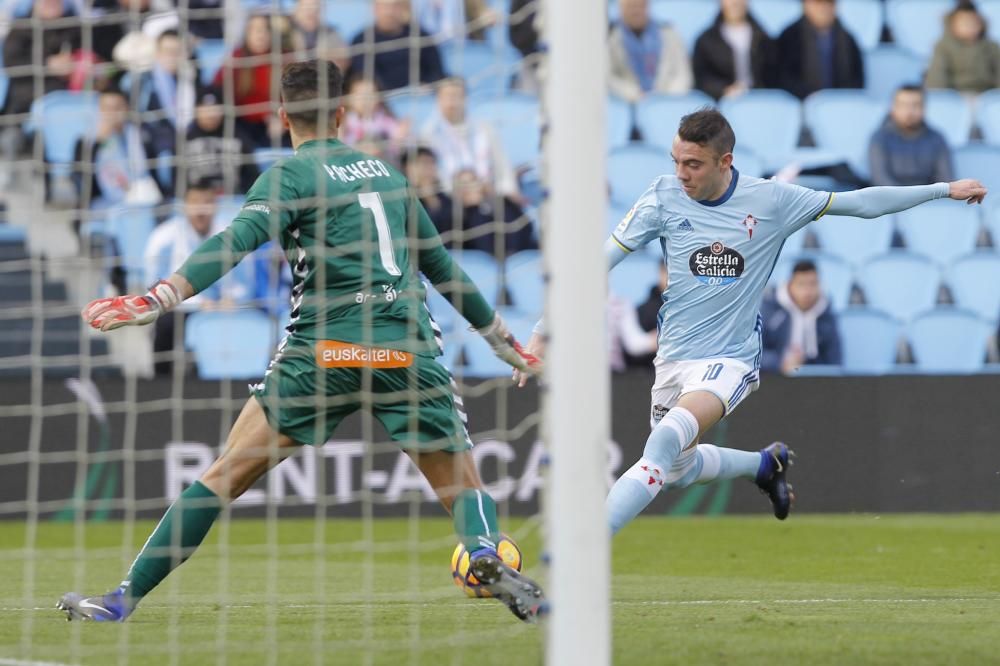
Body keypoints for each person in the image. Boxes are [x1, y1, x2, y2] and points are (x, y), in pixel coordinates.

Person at [59, 59, 546, 624]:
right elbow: (441, 268)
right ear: (342, 114)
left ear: (281, 115)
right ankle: (484, 553)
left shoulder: (287, 177)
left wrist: (158, 299)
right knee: (462, 488)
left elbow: (235, 240)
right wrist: (501, 341)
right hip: (406, 349)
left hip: (326, 352)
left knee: (223, 476)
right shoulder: (389, 175)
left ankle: (122, 599)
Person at [516, 109, 987, 535]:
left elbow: (860, 203)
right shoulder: (661, 197)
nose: (681, 174)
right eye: (676, 161)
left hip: (730, 359)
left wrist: (943, 190)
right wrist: (542, 329)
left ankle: (581, 555)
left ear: (725, 162)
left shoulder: (771, 201)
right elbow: (598, 264)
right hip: (674, 356)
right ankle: (764, 465)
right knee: (675, 469)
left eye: (693, 164)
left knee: (661, 444)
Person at [143, 181, 251, 375]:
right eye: (195, 203)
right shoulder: (163, 238)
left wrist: (231, 298)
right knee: (166, 322)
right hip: (184, 308)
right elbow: (153, 286)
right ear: (184, 206)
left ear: (216, 205)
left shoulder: (234, 235)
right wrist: (199, 303)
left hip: (227, 306)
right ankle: (161, 379)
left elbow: (246, 281)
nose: (201, 210)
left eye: (207, 202)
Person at [421, 77, 519, 197]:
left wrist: (506, 192)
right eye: (447, 96)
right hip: (451, 201)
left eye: (456, 96)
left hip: (490, 197)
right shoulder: (428, 135)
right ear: (438, 100)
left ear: (465, 98)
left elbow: (503, 168)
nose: (451, 102)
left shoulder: (485, 129)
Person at [214, 13, 293, 149]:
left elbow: (297, 96)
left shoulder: (285, 59)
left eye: (264, 29)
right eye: (254, 29)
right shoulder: (236, 59)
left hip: (278, 123)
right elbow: (217, 91)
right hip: (243, 125)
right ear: (246, 33)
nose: (260, 35)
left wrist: (284, 119)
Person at [73, 88, 160, 210]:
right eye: (106, 108)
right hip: (102, 202)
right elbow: (82, 182)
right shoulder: (85, 142)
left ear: (127, 108)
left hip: (142, 195)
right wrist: (97, 144)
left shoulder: (142, 135)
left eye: (117, 108)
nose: (112, 113)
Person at [760, 259, 842, 375]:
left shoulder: (826, 316)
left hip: (813, 383)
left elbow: (834, 362)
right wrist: (780, 363)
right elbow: (755, 354)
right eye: (801, 284)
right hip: (772, 379)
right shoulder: (770, 310)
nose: (807, 291)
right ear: (790, 284)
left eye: (813, 284)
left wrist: (805, 368)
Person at [349, 0, 446, 91]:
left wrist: (427, 85)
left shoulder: (419, 34)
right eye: (384, 7)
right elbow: (364, 78)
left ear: (403, 8)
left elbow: (436, 71)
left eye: (395, 6)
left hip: (420, 98)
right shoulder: (362, 41)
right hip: (382, 102)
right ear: (375, 9)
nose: (389, 12)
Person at [775, 0, 864, 100]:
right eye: (818, 3)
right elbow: (783, 77)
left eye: (829, 3)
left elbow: (857, 80)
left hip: (840, 106)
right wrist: (808, 95)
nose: (823, 8)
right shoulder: (789, 37)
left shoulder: (848, 40)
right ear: (806, 4)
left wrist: (841, 98)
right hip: (799, 105)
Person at [607, 0, 693, 102]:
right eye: (631, 6)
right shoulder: (610, 36)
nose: (636, 11)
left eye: (641, 6)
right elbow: (607, 77)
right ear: (620, 9)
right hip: (625, 101)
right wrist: (633, 94)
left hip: (666, 100)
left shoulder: (668, 32)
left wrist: (664, 96)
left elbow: (682, 74)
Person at [868, 85, 954, 187]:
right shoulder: (879, 138)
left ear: (924, 108)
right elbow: (880, 179)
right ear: (893, 108)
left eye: (916, 105)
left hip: (928, 199)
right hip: (891, 199)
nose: (909, 111)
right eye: (903, 105)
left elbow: (945, 180)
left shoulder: (937, 138)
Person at [182, 86, 260, 195]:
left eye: (215, 108)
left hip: (234, 201)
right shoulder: (184, 139)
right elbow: (177, 179)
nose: (210, 114)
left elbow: (251, 175)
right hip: (197, 203)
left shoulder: (238, 136)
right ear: (196, 110)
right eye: (205, 108)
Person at [692, 0, 775, 100]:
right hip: (721, 101)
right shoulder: (706, 40)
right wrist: (723, 89)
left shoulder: (763, 38)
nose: (735, 3)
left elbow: (775, 73)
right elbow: (702, 77)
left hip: (760, 99)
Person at [451, 168, 537, 259]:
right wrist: (473, 208)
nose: (469, 187)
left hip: (520, 258)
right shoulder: (454, 218)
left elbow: (524, 229)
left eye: (472, 181)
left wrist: (494, 198)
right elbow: (484, 246)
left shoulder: (498, 206)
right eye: (463, 184)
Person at [925, 0, 1000, 94]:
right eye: (964, 23)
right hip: (954, 97)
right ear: (952, 25)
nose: (969, 26)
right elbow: (937, 77)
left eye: (973, 22)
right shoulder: (942, 47)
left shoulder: (992, 46)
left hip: (986, 96)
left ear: (981, 24)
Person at [339, 77, 410, 161]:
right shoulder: (344, 121)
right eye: (359, 95)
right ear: (349, 98)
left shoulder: (384, 121)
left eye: (370, 95)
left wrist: (400, 135)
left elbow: (396, 145)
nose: (365, 100)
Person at [400, 145, 456, 240]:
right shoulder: (399, 198)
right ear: (407, 168)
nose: (428, 169)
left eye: (432, 163)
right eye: (423, 163)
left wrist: (431, 199)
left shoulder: (444, 198)